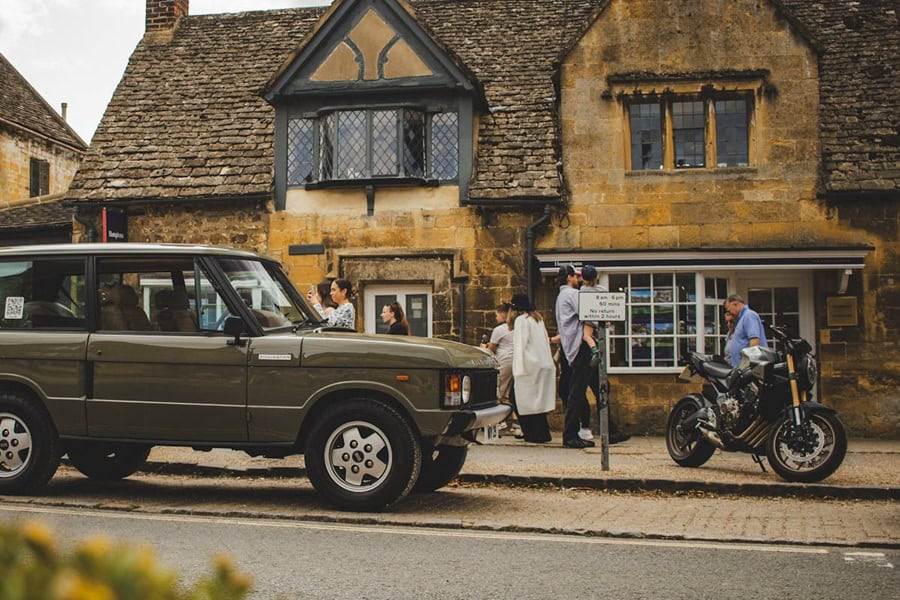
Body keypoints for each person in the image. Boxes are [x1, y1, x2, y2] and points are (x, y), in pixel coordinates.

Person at [580, 265, 630, 444]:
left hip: (591, 333)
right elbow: (606, 306)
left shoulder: (582, 292)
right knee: (599, 388)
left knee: (601, 388)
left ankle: (608, 431)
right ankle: (603, 431)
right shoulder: (600, 289)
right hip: (593, 337)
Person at [555, 264, 595, 448]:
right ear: (570, 277)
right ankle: (570, 435)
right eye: (575, 276)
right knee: (577, 392)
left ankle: (572, 433)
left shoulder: (561, 296)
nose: (578, 279)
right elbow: (590, 313)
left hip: (570, 346)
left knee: (574, 390)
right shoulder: (573, 295)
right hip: (580, 346)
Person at [508, 293, 553, 443]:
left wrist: (517, 370)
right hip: (543, 363)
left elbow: (520, 344)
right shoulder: (537, 319)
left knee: (521, 400)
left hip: (529, 366)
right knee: (537, 402)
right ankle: (543, 433)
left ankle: (532, 433)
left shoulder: (521, 321)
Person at [482, 303, 518, 436]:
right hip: (518, 361)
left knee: (497, 393)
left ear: (503, 314)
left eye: (496, 315)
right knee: (510, 394)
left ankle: (497, 424)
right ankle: (515, 422)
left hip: (505, 362)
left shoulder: (500, 329)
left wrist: (483, 347)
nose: (496, 318)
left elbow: (491, 349)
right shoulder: (517, 328)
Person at [725, 293, 768, 367]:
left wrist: (749, 364)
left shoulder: (749, 315)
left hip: (747, 367)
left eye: (729, 310)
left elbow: (754, 340)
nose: (729, 313)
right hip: (740, 366)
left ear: (735, 304)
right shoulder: (741, 318)